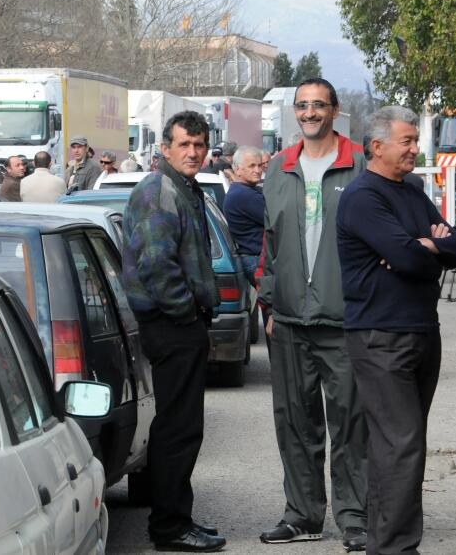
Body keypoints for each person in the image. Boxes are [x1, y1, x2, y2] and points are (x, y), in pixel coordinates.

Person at [337, 106, 456, 555]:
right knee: (402, 444)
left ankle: (385, 541)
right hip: (380, 335)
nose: (416, 148)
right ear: (377, 147)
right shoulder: (362, 197)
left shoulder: (412, 191)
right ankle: (396, 548)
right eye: (408, 141)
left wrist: (428, 244)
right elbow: (413, 258)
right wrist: (423, 247)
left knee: (400, 445)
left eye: (416, 140)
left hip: (420, 329)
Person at [257, 77, 368, 551]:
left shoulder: (360, 162)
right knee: (295, 423)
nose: (309, 112)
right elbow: (269, 242)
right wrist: (268, 302)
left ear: (335, 110)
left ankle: (355, 518)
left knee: (351, 423)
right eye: (302, 106)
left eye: (318, 105)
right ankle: (302, 515)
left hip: (344, 320)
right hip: (289, 320)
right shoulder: (279, 166)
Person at [121, 110, 224, 553]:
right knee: (178, 430)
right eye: (184, 145)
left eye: (199, 145)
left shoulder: (184, 188)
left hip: (179, 323)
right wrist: (186, 314)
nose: (193, 152)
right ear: (165, 149)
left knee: (181, 427)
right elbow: (156, 266)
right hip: (170, 324)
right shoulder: (157, 191)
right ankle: (169, 527)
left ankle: (175, 518)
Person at [223, 146, 264, 279]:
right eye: (251, 166)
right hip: (256, 260)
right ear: (237, 169)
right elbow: (277, 219)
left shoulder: (243, 191)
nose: (257, 170)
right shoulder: (244, 194)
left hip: (254, 259)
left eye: (260, 165)